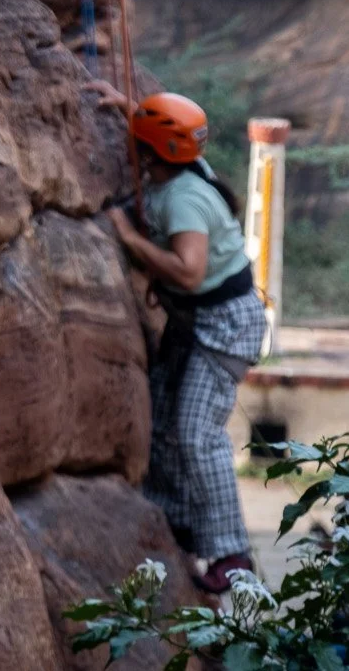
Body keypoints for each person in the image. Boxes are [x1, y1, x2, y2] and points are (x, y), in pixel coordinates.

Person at [101, 90, 269, 594]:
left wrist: (132, 242)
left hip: (223, 324)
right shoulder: (186, 167)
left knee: (197, 432)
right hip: (205, 321)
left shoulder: (182, 197)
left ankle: (230, 551)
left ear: (150, 152)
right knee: (167, 411)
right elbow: (165, 132)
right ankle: (178, 519)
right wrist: (125, 105)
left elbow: (191, 271)